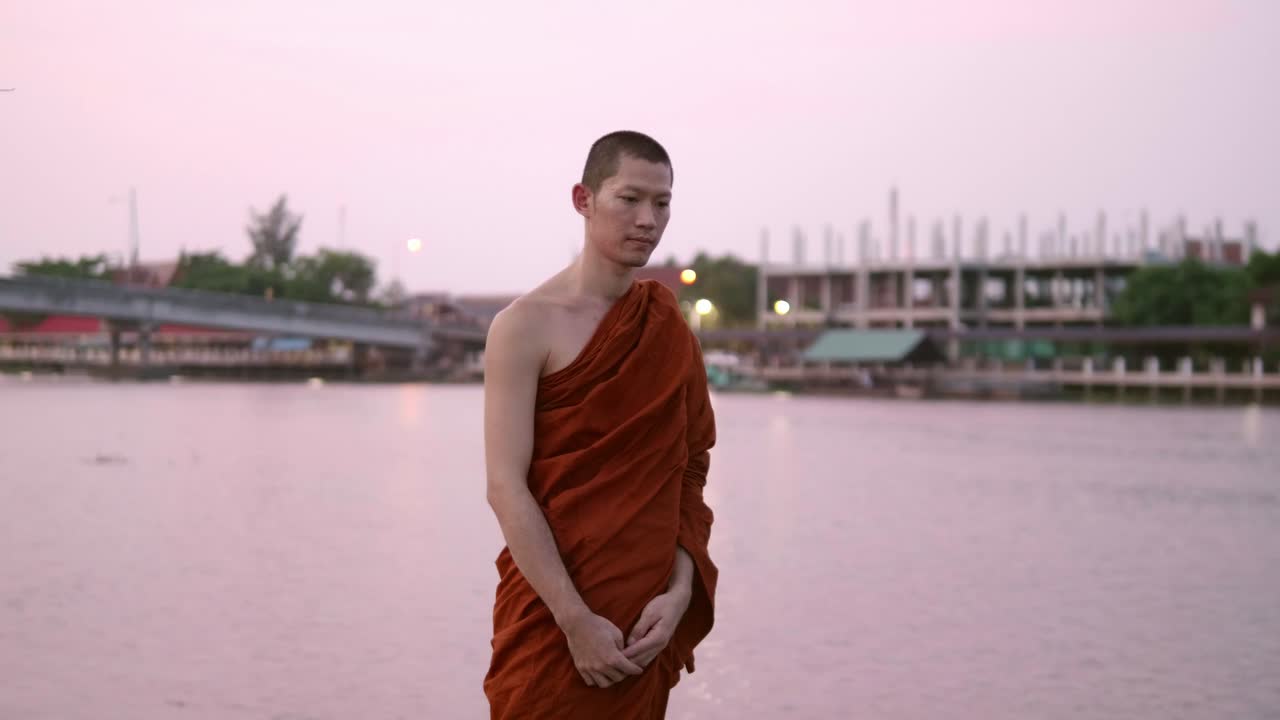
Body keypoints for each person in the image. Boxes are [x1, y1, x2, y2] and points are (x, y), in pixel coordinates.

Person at [481, 130, 718, 719]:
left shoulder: (666, 326)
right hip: (551, 617)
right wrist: (574, 620)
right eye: (629, 199)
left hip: (642, 625)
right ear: (583, 200)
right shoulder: (523, 327)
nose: (648, 219)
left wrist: (679, 591)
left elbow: (690, 468)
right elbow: (505, 486)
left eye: (661, 203)